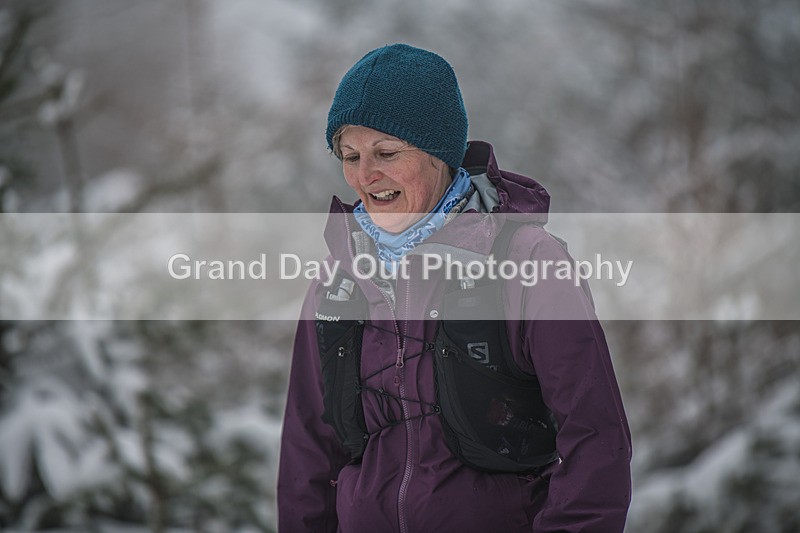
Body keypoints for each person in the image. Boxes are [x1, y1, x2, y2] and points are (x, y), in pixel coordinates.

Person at [277, 43, 632, 533]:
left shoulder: (527, 261)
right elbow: (307, 453)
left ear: (437, 152)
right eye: (350, 155)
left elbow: (595, 439)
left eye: (386, 153)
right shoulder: (338, 278)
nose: (364, 176)